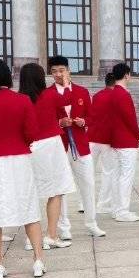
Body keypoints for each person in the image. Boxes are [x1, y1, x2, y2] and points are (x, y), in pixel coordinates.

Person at [0, 59, 46, 278]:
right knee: (28, 208)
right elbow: (32, 132)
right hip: (19, 159)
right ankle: (38, 260)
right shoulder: (22, 100)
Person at [46, 55, 106, 239]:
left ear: (68, 70)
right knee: (61, 188)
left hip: (80, 144)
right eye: (54, 71)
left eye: (61, 70)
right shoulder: (48, 94)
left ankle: (91, 223)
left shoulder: (81, 91)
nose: (58, 74)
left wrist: (83, 121)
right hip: (60, 146)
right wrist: (59, 122)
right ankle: (64, 228)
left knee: (88, 183)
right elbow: (44, 121)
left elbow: (92, 116)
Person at [18, 63, 75, 249]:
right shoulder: (50, 95)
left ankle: (30, 239)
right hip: (51, 145)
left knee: (30, 191)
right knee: (56, 191)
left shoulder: (20, 98)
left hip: (30, 147)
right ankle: (51, 235)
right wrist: (66, 82)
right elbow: (68, 100)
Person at [109, 63, 139, 222]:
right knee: (126, 176)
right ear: (127, 75)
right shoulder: (123, 94)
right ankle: (122, 211)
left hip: (115, 140)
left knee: (117, 176)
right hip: (126, 141)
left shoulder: (112, 93)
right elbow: (130, 119)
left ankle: (117, 209)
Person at [89, 72, 116, 215]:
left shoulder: (97, 95)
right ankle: (103, 204)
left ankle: (84, 203)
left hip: (92, 137)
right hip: (107, 140)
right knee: (108, 172)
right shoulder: (116, 96)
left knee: (88, 173)